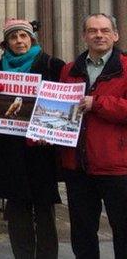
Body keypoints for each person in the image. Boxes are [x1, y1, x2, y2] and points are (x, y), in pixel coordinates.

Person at [0, 18, 64, 259]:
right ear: (6, 42)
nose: (19, 41)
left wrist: (48, 129)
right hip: (11, 149)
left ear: (31, 38)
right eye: (13, 37)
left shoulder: (51, 64)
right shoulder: (1, 65)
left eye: (23, 36)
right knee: (16, 210)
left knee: (43, 210)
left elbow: (64, 102)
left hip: (40, 149)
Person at [58, 14, 127, 259]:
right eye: (93, 31)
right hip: (78, 165)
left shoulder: (126, 68)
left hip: (116, 165)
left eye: (105, 30)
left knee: (123, 229)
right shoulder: (69, 69)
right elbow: (60, 109)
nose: (99, 35)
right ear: (84, 36)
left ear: (115, 35)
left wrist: (97, 103)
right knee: (83, 232)